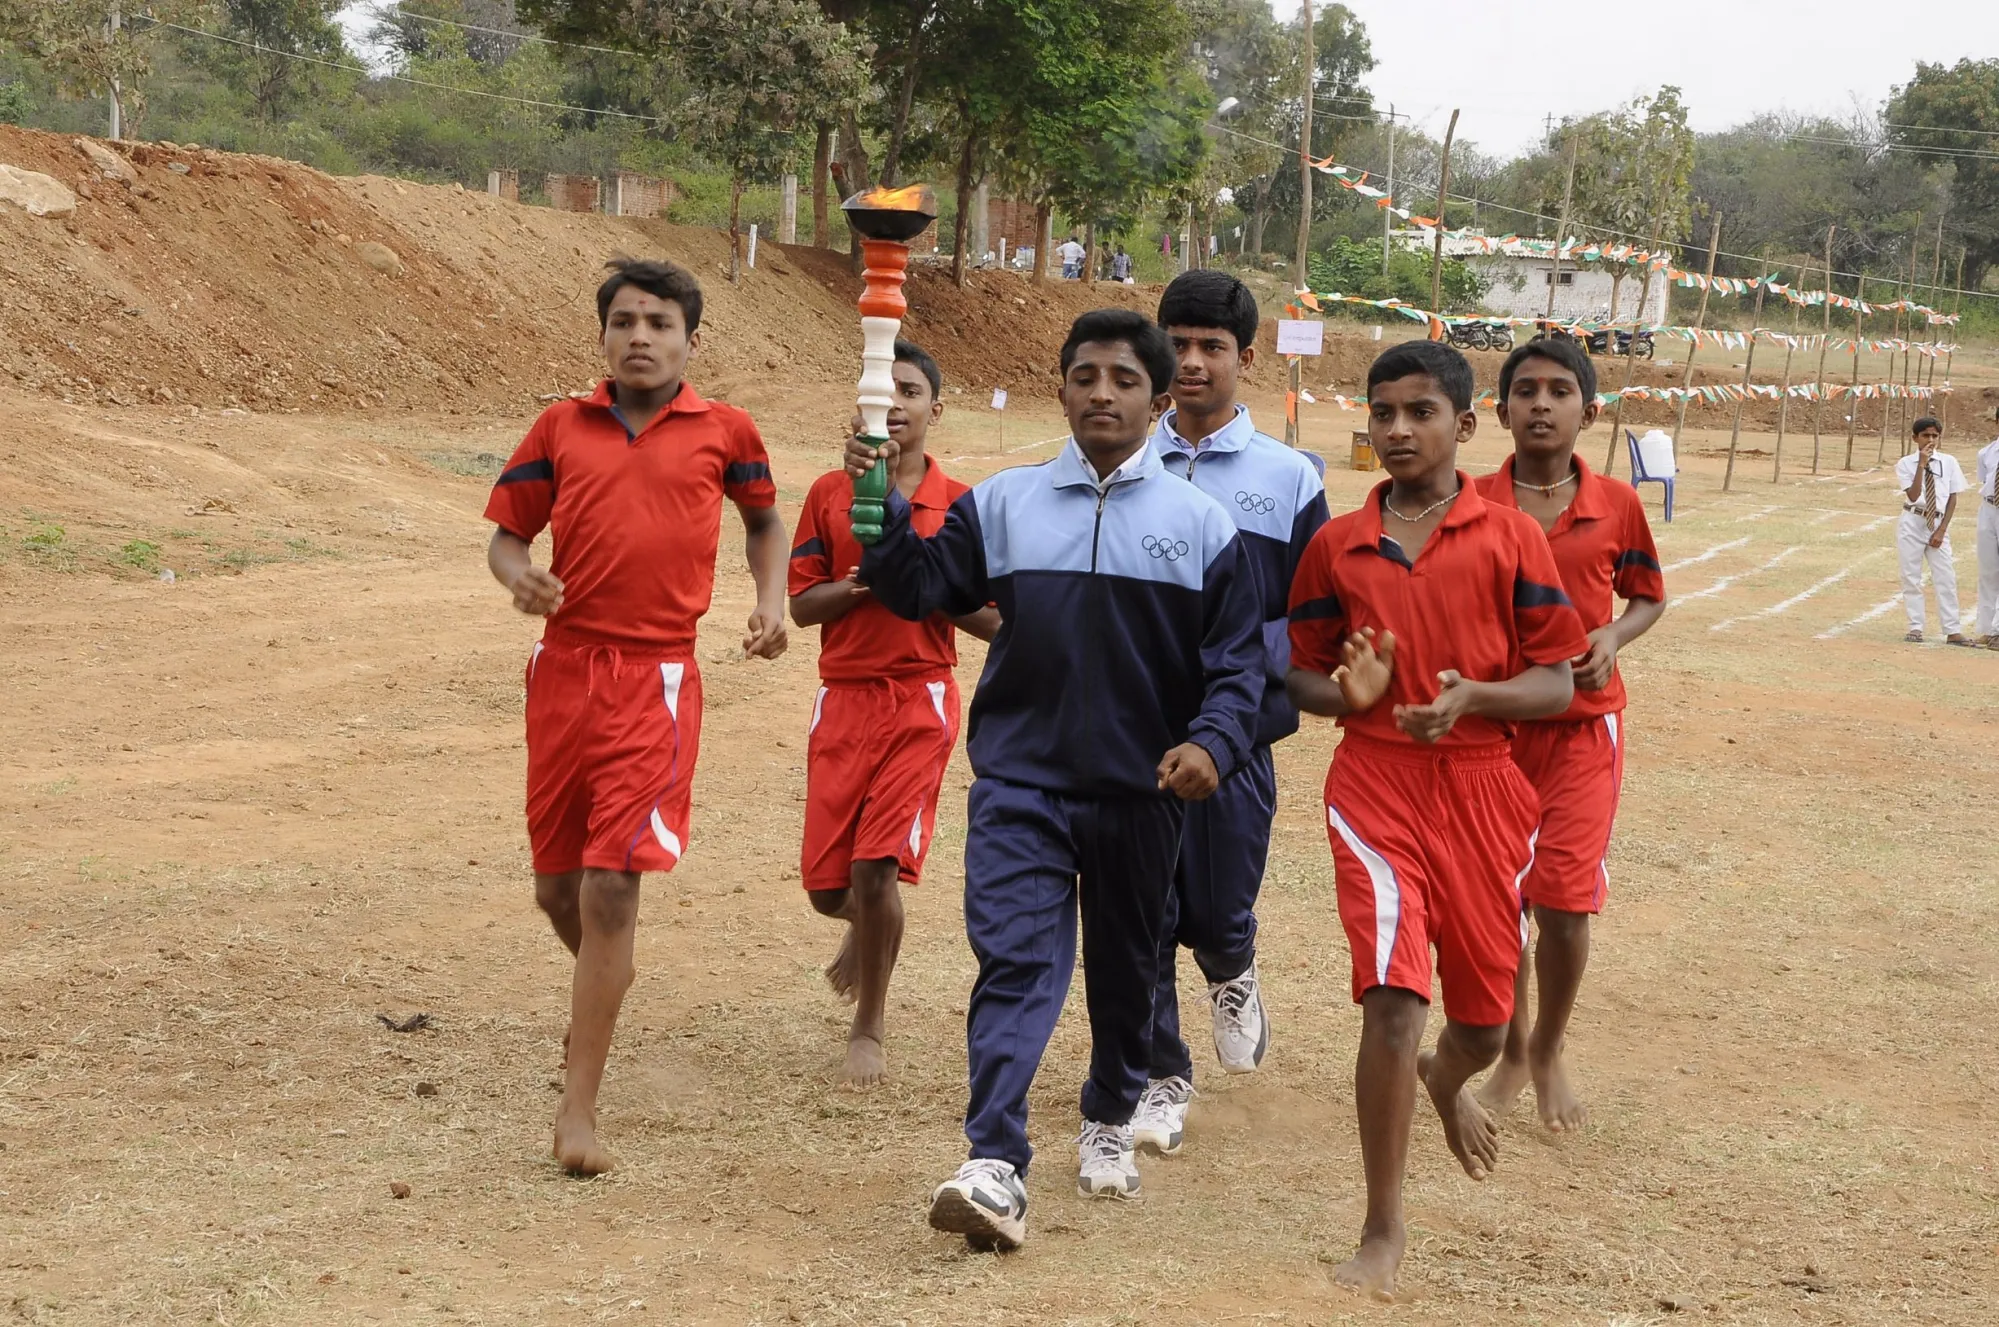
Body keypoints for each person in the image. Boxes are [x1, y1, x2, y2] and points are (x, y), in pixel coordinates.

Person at [845, 308, 1262, 1251]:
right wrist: (872, 496)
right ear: (1061, 390)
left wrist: (1212, 743)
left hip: (1142, 793)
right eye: (1084, 377)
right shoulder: (1001, 503)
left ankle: (1110, 1113)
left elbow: (1238, 668)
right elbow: (916, 588)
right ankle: (993, 1158)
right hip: (1020, 787)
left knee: (1123, 974)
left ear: (1158, 400)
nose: (1101, 393)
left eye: (1122, 379)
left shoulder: (1201, 525)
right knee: (1016, 960)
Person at [1285, 340, 1588, 1301]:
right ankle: (1382, 1228)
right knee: (1389, 999)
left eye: (1419, 412)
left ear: (1463, 426)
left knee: (1482, 1028)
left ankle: (1440, 1078)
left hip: (1485, 789)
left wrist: (1476, 699)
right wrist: (1343, 694)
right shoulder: (1336, 543)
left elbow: (1554, 679)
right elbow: (1293, 668)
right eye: (1382, 413)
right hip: (1373, 786)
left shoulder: (1511, 539)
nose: (1397, 429)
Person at [484, 258, 789, 1176]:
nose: (641, 336)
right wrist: (518, 578)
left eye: (659, 322)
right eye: (624, 321)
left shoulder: (725, 431)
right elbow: (506, 535)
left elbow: (764, 521)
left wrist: (771, 599)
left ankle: (576, 1113)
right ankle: (601, 989)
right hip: (562, 673)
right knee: (556, 892)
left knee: (611, 890)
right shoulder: (559, 426)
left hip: (654, 679)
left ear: (691, 340)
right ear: (603, 337)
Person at [1131, 270, 1329, 1159]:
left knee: (1212, 912)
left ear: (1246, 358)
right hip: (1134, 734)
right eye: (1176, 343)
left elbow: (1306, 621)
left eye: (1211, 346)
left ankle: (1234, 967)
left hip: (1237, 739)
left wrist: (1232, 723)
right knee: (1138, 915)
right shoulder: (1125, 459)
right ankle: (1157, 1076)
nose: (1191, 361)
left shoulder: (1289, 479)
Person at [788, 341, 1000, 1088]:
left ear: (933, 410)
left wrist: (914, 575)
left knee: (877, 866)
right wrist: (860, 587)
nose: (894, 406)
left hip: (919, 695)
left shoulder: (963, 503)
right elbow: (802, 603)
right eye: (881, 395)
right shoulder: (825, 495)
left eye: (909, 392)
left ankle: (867, 1026)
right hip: (842, 698)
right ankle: (864, 930)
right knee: (826, 888)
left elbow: (984, 613)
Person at [1470, 339, 1666, 1133]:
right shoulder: (1472, 500)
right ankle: (1511, 1049)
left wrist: (1611, 639)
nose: (1540, 404)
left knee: (1563, 900)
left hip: (1586, 731)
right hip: (1495, 732)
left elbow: (1647, 596)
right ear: (1499, 409)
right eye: (1525, 391)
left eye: (1558, 391)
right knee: (1496, 900)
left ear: (1590, 411)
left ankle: (1547, 1047)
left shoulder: (1616, 504)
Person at [1894, 417, 1973, 646]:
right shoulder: (1905, 463)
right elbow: (1913, 494)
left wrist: (1941, 530)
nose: (1930, 440)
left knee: (1945, 576)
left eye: (1934, 436)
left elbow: (1952, 497)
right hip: (1913, 520)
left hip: (1938, 523)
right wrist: (1921, 463)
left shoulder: (1948, 462)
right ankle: (1916, 626)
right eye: (1925, 435)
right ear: (1915, 438)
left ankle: (1952, 629)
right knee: (1911, 576)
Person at [1972, 416, 1999, 649]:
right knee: (1988, 570)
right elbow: (1985, 480)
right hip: (1989, 508)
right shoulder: (1986, 453)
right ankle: (1987, 628)